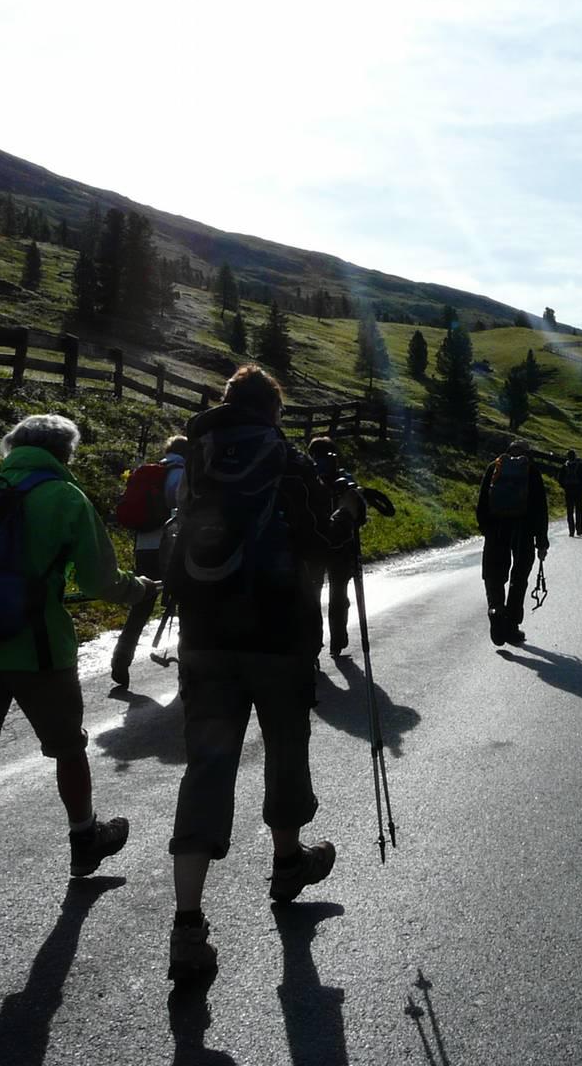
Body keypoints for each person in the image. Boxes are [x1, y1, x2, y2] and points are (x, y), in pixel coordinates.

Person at [165, 366, 365, 981]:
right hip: (279, 634)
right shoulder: (286, 459)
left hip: (203, 634)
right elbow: (317, 546)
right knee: (284, 746)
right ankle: (286, 863)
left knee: (207, 765)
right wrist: (347, 513)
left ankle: (188, 921)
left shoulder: (197, 454)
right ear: (273, 410)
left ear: (228, 404)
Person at [0, 414, 156, 943]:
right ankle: (85, 839)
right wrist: (140, 588)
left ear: (12, 447)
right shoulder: (65, 497)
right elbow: (101, 581)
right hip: (37, 651)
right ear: (66, 452)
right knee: (66, 747)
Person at [109, 435, 187, 688]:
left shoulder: (149, 472)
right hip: (172, 546)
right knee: (187, 601)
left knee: (142, 601)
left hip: (145, 545)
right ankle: (188, 665)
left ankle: (122, 655)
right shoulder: (183, 474)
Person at [475, 439, 549, 646]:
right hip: (523, 531)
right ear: (527, 454)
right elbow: (540, 509)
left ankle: (496, 609)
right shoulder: (531, 471)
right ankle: (512, 625)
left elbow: (482, 502)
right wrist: (541, 540)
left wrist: (487, 529)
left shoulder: (494, 467)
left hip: (496, 530)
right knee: (519, 577)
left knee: (493, 573)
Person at [306, 436, 356, 657]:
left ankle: (314, 645)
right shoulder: (344, 479)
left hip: (315, 544)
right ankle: (337, 641)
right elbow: (357, 513)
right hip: (340, 546)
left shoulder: (307, 478)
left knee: (312, 597)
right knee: (338, 594)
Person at [557, 449, 582, 537]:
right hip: (578, 490)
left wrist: (565, 486)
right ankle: (579, 529)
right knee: (579, 510)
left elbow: (560, 478)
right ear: (575, 456)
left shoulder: (564, 466)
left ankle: (571, 531)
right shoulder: (580, 466)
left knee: (569, 511)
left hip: (568, 490)